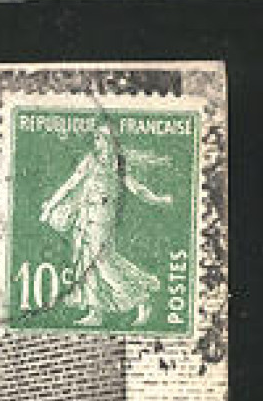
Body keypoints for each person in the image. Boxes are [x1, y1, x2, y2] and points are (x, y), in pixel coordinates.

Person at [38, 123, 174, 327]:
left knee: (102, 262)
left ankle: (141, 298)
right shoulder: (90, 161)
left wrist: (158, 199)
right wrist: (51, 205)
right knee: (85, 262)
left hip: (102, 218)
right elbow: (71, 184)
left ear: (110, 142)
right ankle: (96, 312)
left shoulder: (117, 165)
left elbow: (136, 188)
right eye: (95, 139)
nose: (97, 143)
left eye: (101, 139)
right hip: (85, 216)